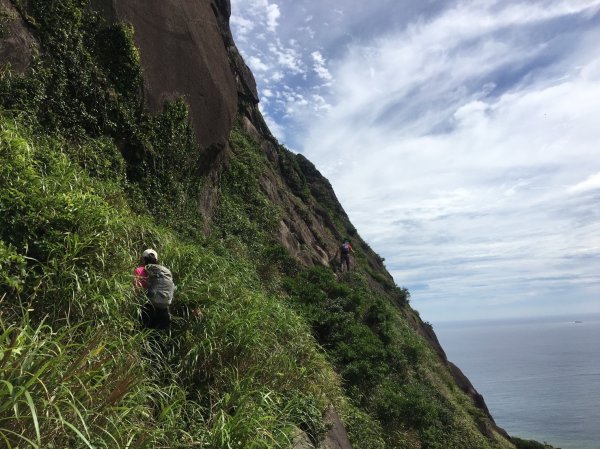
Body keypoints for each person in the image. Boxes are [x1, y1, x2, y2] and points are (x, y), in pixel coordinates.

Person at [134, 249, 174, 330]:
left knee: (143, 334)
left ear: (143, 259)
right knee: (159, 338)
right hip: (164, 308)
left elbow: (136, 289)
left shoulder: (139, 270)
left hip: (148, 307)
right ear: (156, 260)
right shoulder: (163, 271)